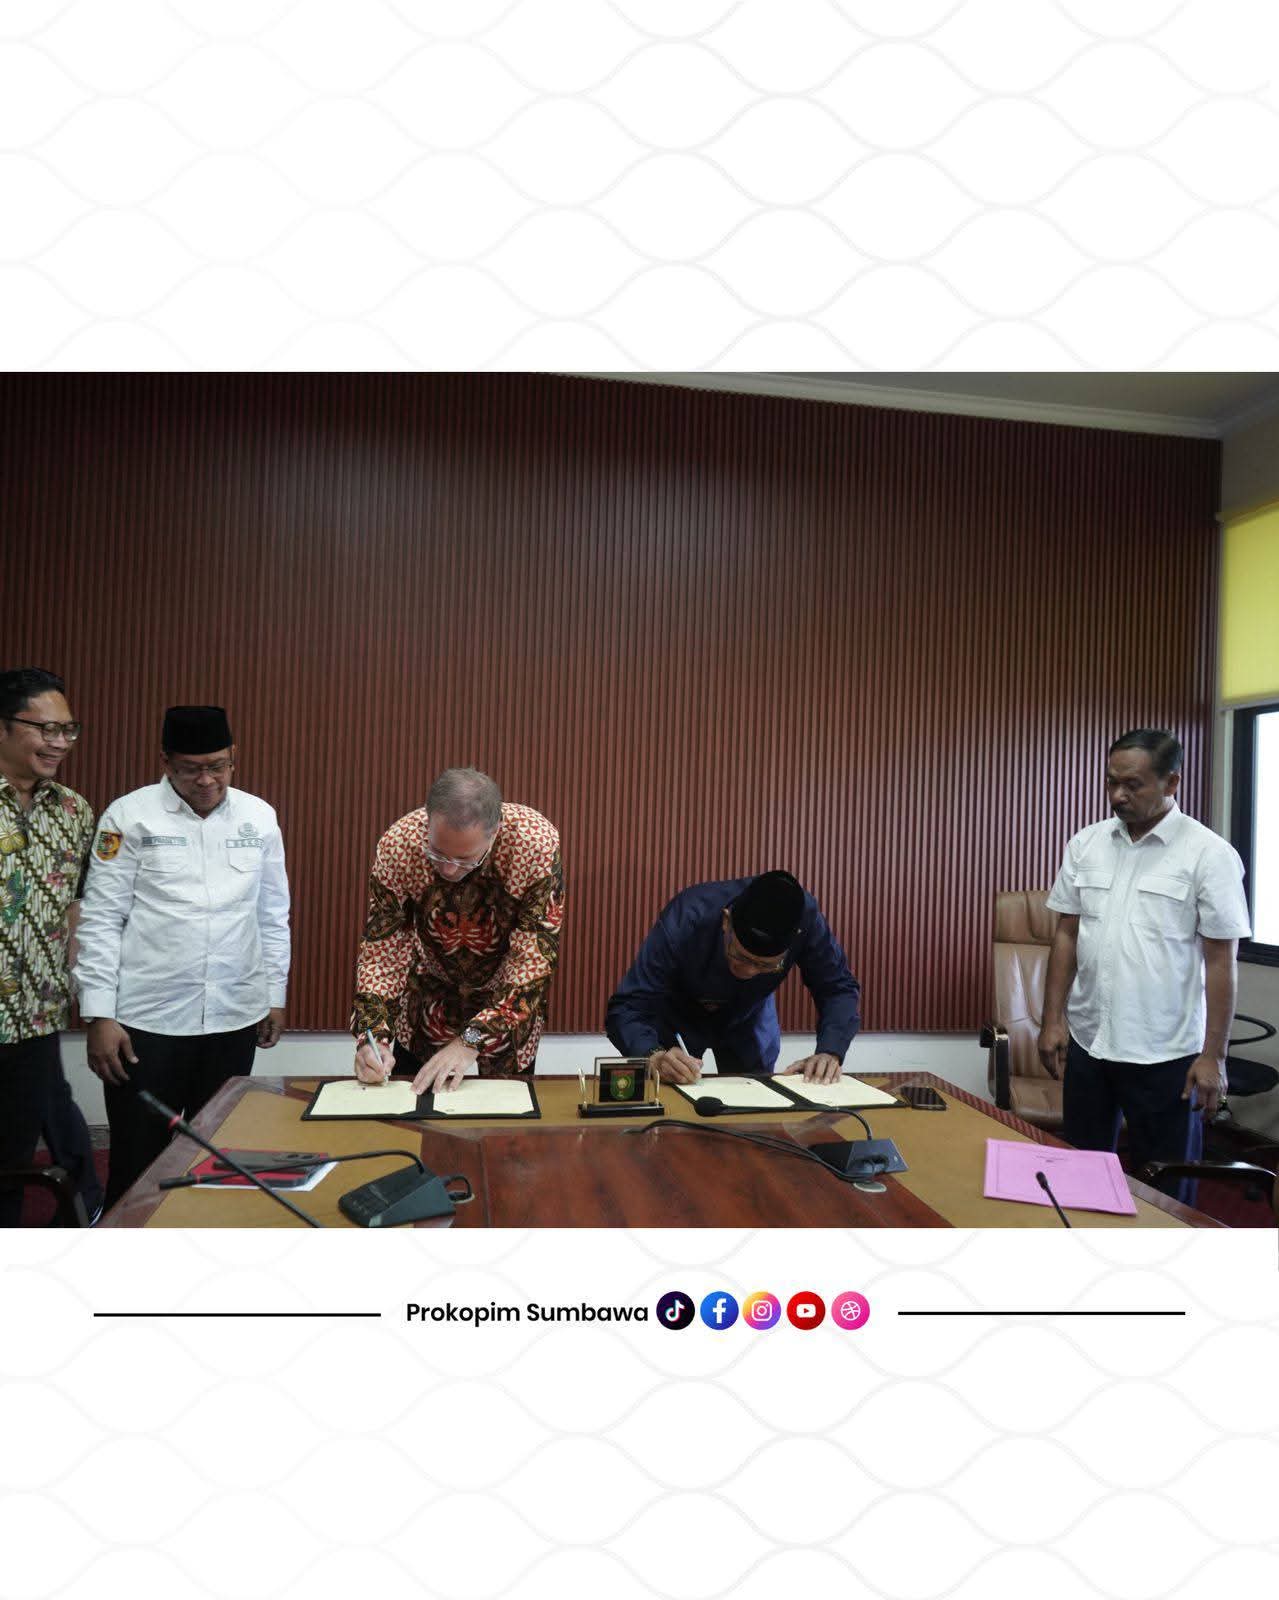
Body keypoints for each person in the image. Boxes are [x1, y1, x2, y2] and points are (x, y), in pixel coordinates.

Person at [75, 706, 291, 1208]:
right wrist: (99, 1014)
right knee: (138, 1162)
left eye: (217, 765)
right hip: (147, 1023)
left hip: (234, 1015)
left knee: (219, 1155)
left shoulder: (259, 817)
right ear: (166, 762)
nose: (207, 779)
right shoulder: (127, 816)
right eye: (191, 768)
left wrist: (274, 995)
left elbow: (272, 913)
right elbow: (101, 918)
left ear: (234, 757)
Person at [1039, 728, 1252, 1202]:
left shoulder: (1209, 854)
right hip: (1090, 1042)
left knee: (1166, 1192)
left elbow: (1221, 961)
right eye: (1111, 782)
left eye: (1132, 785)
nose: (1118, 795)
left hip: (1166, 1053)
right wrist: (1052, 1020)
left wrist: (1214, 1055)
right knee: (1080, 1178)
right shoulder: (1086, 844)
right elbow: (1067, 933)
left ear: (1171, 782)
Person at [352, 767, 564, 1094]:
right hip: (429, 991)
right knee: (414, 1106)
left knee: (504, 1112)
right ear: (427, 822)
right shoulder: (400, 844)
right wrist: (373, 1036)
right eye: (437, 854)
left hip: (507, 998)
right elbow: (383, 951)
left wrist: (471, 1040)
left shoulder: (533, 844)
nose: (449, 870)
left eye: (465, 859)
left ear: (494, 832)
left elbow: (534, 960)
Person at [0, 668, 103, 1226]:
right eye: (46, 729)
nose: (60, 742)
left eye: (68, 729)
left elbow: (79, 903)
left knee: (14, 1160)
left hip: (35, 1016)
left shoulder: (73, 811)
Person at [605, 870, 861, 1085]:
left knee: (754, 1104)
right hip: (677, 1016)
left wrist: (830, 1050)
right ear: (726, 921)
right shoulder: (687, 917)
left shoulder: (806, 920)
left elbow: (837, 987)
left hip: (749, 1017)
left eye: (765, 965)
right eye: (739, 956)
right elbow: (627, 1007)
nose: (748, 972)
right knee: (672, 1098)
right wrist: (652, 1055)